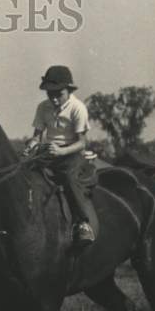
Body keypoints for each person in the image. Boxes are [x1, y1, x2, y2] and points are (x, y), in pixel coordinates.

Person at [23, 65, 96, 247]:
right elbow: (37, 135)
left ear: (68, 90)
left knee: (70, 178)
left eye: (59, 93)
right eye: (50, 93)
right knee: (23, 172)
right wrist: (31, 145)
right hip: (48, 151)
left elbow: (82, 142)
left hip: (71, 153)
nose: (54, 98)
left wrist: (62, 151)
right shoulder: (43, 107)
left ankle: (83, 223)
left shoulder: (77, 108)